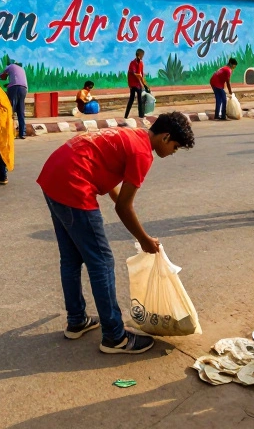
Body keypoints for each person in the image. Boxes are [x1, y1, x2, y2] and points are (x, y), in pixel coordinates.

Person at [37, 112, 196, 355]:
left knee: (71, 258)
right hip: (73, 185)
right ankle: (114, 336)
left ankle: (77, 320)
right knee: (102, 262)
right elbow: (123, 207)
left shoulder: (131, 135)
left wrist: (118, 199)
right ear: (165, 137)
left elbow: (105, 167)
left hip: (54, 175)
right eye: (175, 147)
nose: (173, 152)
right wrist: (144, 240)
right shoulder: (143, 154)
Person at [0, 60, 28, 140]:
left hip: (14, 88)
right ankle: (22, 133)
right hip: (23, 89)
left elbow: (3, 76)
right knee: (21, 111)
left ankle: (9, 133)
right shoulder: (21, 69)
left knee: (10, 110)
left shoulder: (9, 66)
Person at [123, 49, 150, 121]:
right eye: (141, 55)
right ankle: (126, 115)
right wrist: (143, 82)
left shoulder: (141, 63)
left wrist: (145, 85)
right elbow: (135, 74)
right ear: (138, 55)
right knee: (131, 100)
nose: (142, 57)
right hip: (132, 84)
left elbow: (141, 75)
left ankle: (141, 115)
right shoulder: (132, 63)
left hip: (138, 84)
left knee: (140, 100)